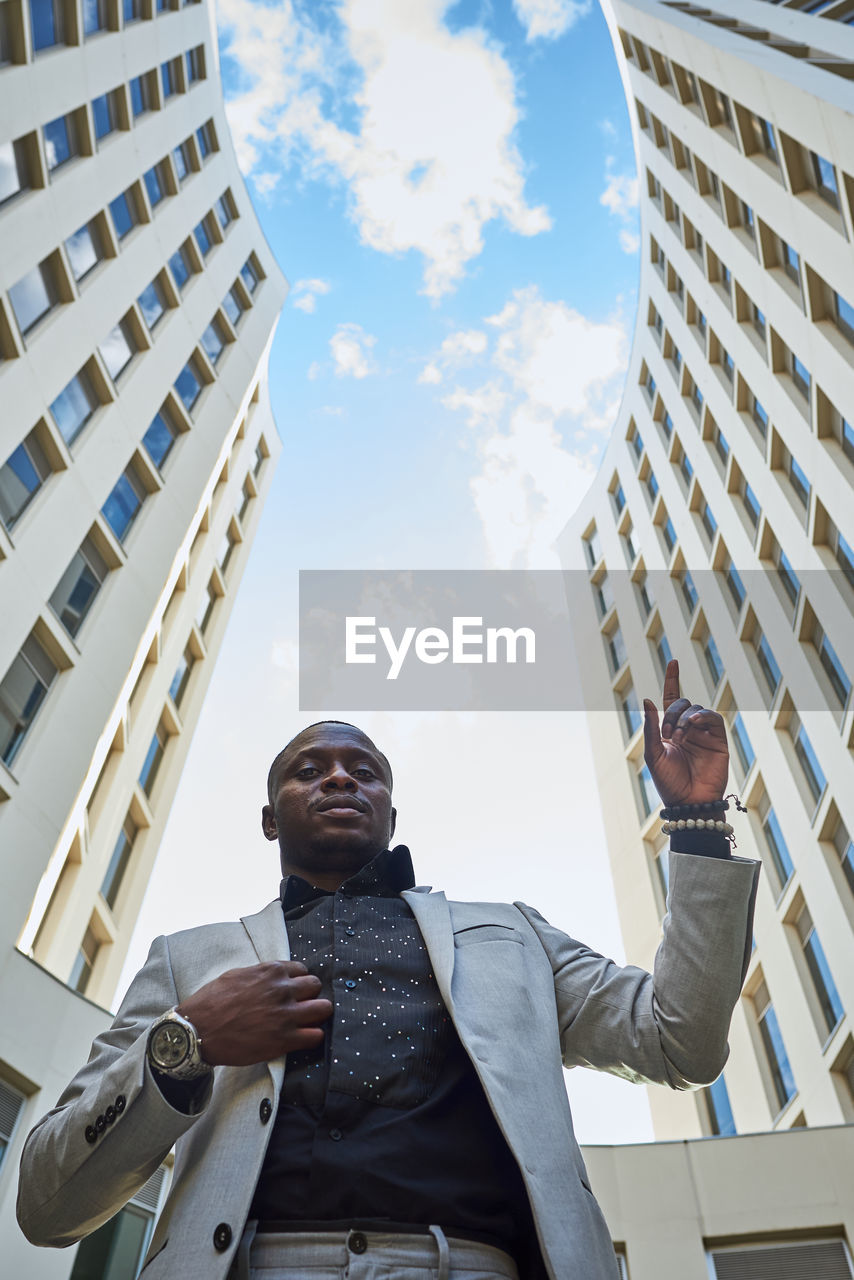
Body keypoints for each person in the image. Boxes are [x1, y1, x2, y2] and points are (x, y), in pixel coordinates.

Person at [17, 660, 759, 1280]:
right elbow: (47, 1203)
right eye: (310, 769)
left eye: (362, 771)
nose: (339, 779)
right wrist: (185, 1042)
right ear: (270, 818)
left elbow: (679, 1041)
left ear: (392, 814)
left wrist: (698, 828)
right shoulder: (187, 959)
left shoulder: (511, 934)